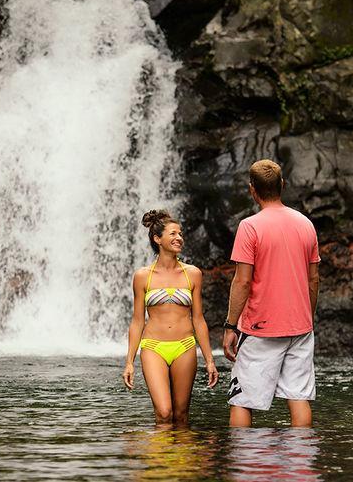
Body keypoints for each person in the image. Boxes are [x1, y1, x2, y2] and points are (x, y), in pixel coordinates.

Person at [222, 159, 321, 428]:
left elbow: (242, 282)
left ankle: (247, 465)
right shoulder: (306, 224)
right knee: (299, 397)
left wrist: (231, 325)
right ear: (282, 186)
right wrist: (305, 318)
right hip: (300, 326)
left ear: (252, 189)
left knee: (242, 401)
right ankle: (300, 464)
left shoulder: (250, 226)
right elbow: (313, 279)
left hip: (260, 328)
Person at [123, 210, 219, 425]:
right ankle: (161, 459)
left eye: (181, 234)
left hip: (184, 346)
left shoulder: (192, 274)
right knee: (164, 413)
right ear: (157, 239)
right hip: (153, 347)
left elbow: (199, 319)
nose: (179, 238)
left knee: (181, 414)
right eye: (173, 234)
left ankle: (181, 459)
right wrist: (129, 361)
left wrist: (210, 360)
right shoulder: (142, 276)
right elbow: (138, 321)